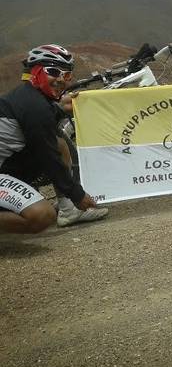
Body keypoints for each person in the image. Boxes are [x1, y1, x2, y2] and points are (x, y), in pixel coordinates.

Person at [0, 44, 108, 234]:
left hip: (8, 166)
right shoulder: (34, 105)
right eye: (53, 72)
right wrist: (76, 193)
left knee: (59, 144)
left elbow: (39, 128)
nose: (60, 79)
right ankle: (68, 207)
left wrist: (57, 109)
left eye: (66, 75)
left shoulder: (32, 96)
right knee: (42, 216)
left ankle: (68, 211)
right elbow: (47, 156)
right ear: (35, 71)